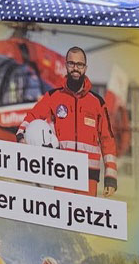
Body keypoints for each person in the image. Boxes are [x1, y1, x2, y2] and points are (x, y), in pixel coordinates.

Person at [15, 46, 118, 197]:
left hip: (88, 177)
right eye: (71, 64)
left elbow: (107, 140)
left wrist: (110, 177)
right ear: (66, 66)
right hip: (62, 172)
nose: (75, 68)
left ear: (85, 68)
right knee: (62, 217)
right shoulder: (53, 97)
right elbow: (31, 117)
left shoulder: (97, 103)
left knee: (84, 218)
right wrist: (20, 136)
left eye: (80, 65)